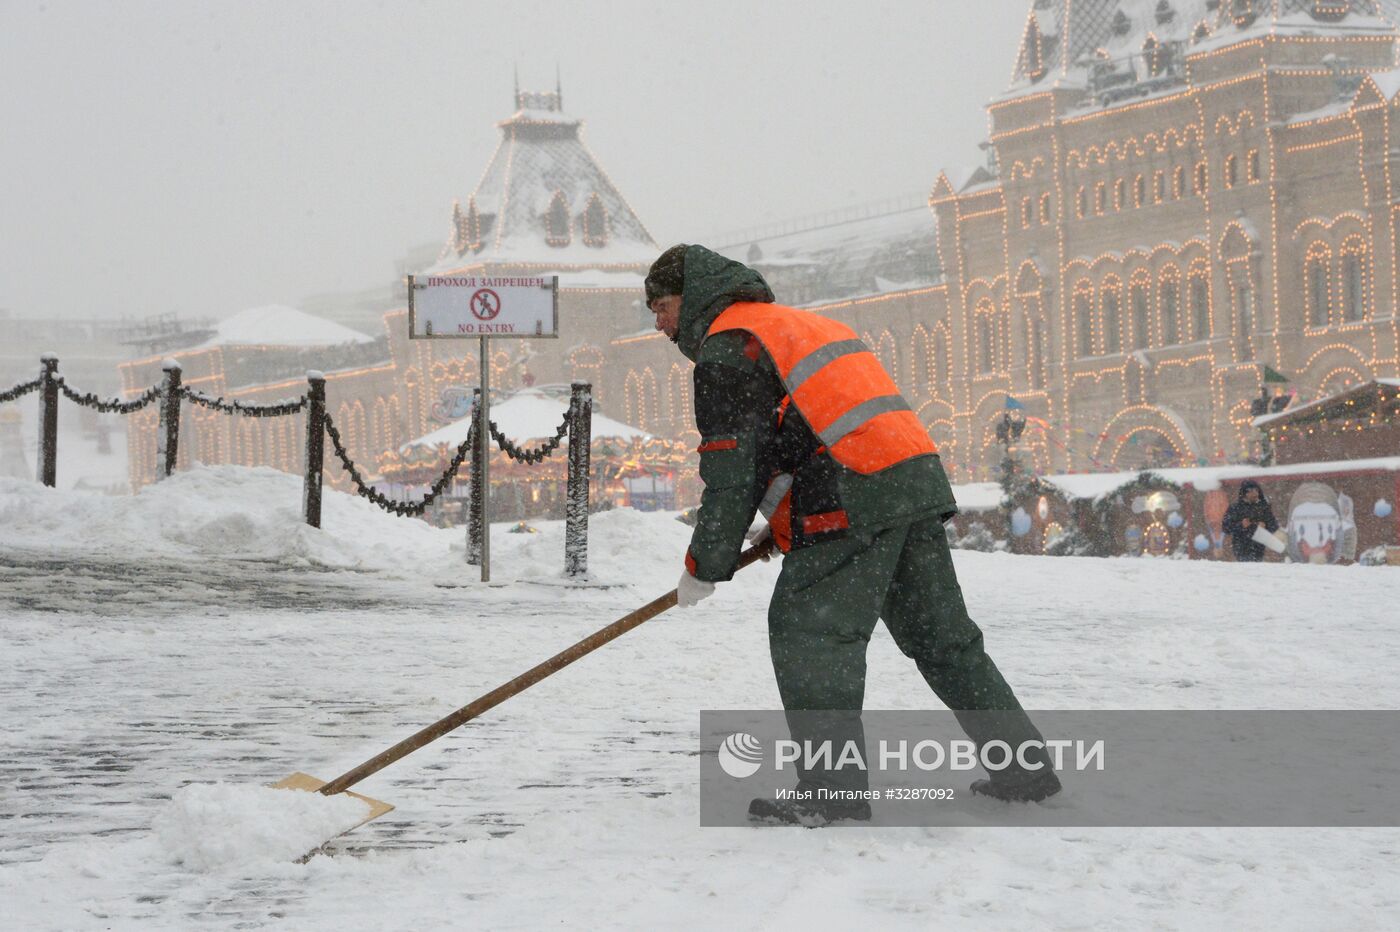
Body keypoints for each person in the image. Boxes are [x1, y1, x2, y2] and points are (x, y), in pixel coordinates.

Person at [645, 244, 1059, 825]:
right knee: (944, 639)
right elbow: (801, 431)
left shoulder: (728, 347)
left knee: (809, 635)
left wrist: (704, 563)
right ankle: (1024, 766)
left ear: (691, 298)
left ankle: (831, 794)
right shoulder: (798, 325)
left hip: (851, 491)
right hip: (910, 480)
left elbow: (731, 468)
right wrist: (776, 522)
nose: (658, 322)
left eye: (661, 306)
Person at [1222, 480, 1279, 563]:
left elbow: (1274, 526)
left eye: (1256, 490)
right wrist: (1241, 525)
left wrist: (1265, 526)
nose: (1255, 493)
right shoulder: (1235, 508)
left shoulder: (1263, 508)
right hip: (1240, 547)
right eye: (1251, 491)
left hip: (1259, 548)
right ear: (1245, 493)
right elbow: (1226, 528)